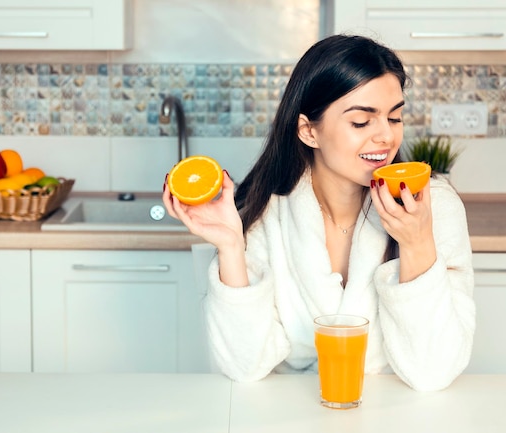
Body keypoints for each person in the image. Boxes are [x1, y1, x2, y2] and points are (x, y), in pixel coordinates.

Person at [162, 34, 475, 392]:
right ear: (309, 131)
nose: (386, 137)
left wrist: (418, 244)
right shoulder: (266, 213)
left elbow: (433, 372)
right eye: (361, 122)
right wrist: (231, 248)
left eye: (395, 117)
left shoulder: (432, 206)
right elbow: (244, 365)